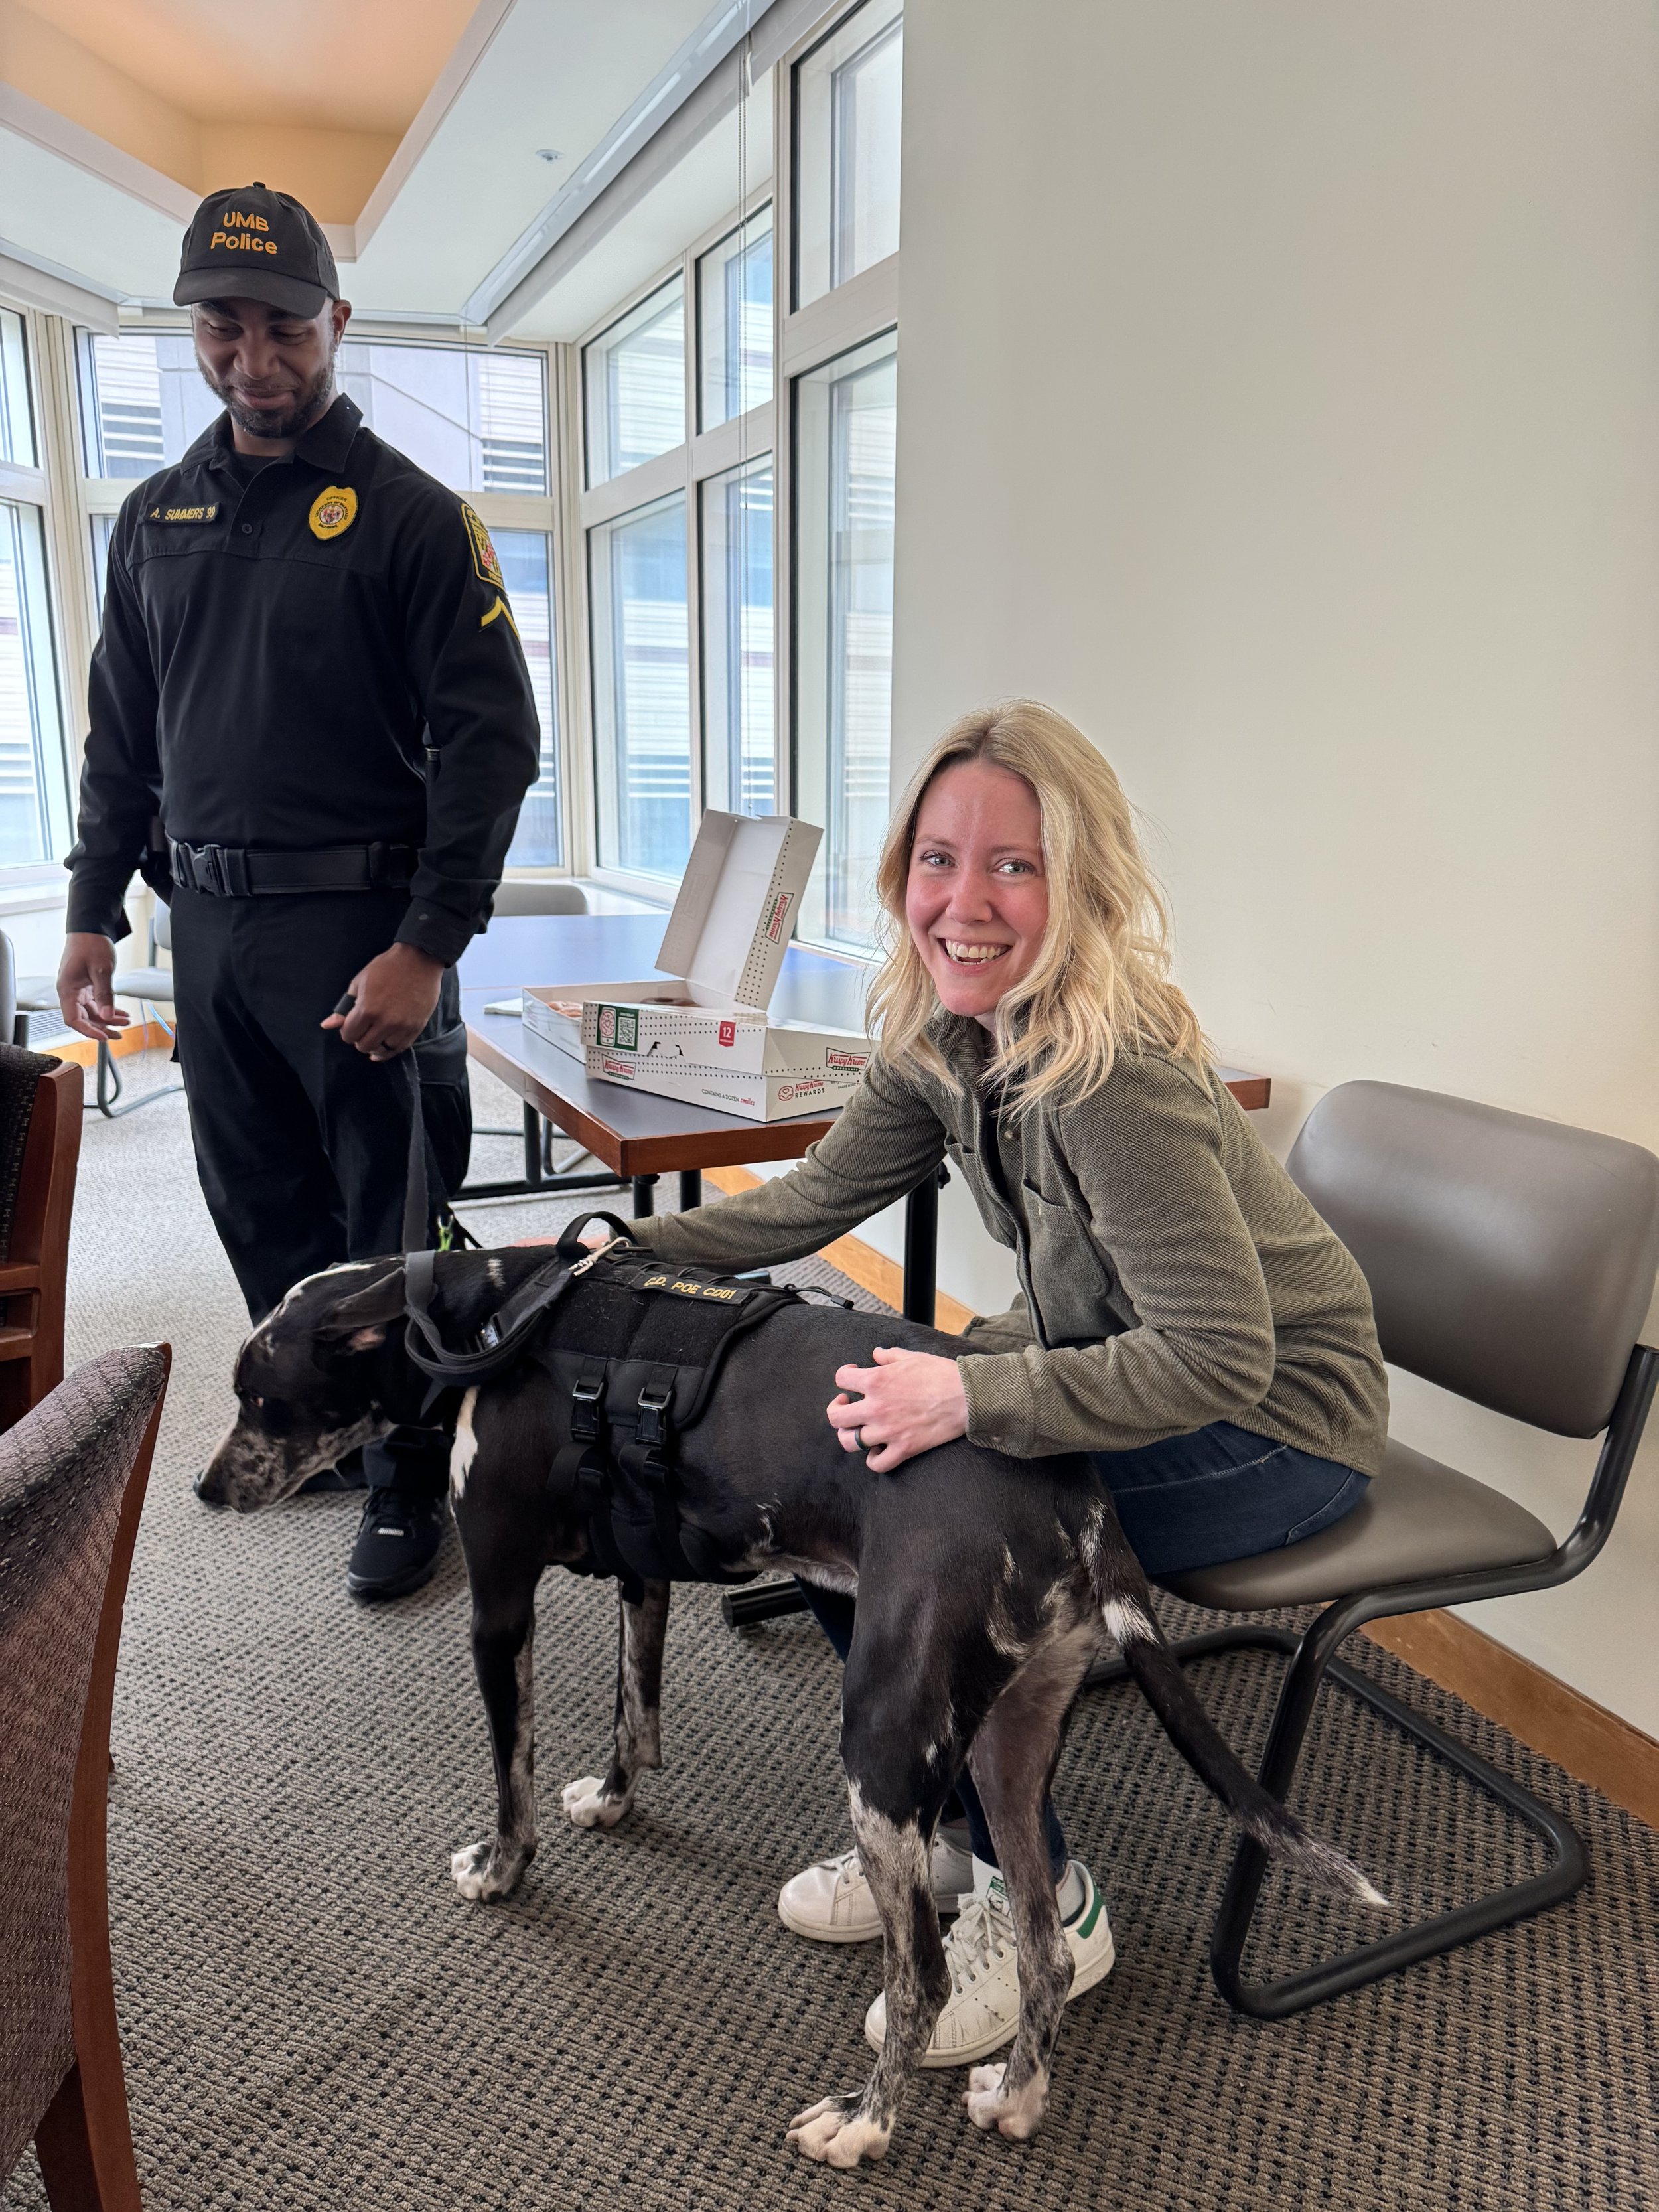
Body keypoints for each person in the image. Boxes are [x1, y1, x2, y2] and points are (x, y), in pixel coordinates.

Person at [609, 700, 1388, 2069]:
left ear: (1076, 885)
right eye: (935, 859)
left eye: (1012, 866)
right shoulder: (945, 1033)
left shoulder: (1110, 1074)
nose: (962, 901)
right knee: (829, 1454)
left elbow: (1221, 1355)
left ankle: (1046, 1897)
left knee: (933, 1517)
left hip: (1275, 1426)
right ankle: (937, 1822)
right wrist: (612, 1251)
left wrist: (975, 1398)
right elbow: (801, 1202)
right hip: (1118, 1361)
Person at [58, 183, 541, 1602]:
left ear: (334, 321)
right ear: (192, 330)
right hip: (207, 930)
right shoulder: (154, 518)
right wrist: (95, 902)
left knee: (379, 1229)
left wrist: (428, 944)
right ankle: (320, 1425)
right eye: (223, 323)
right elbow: (122, 739)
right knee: (255, 1202)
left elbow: (491, 745)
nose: (252, 355)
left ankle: (408, 1470)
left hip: (358, 934)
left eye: (281, 324)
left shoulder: (410, 519)